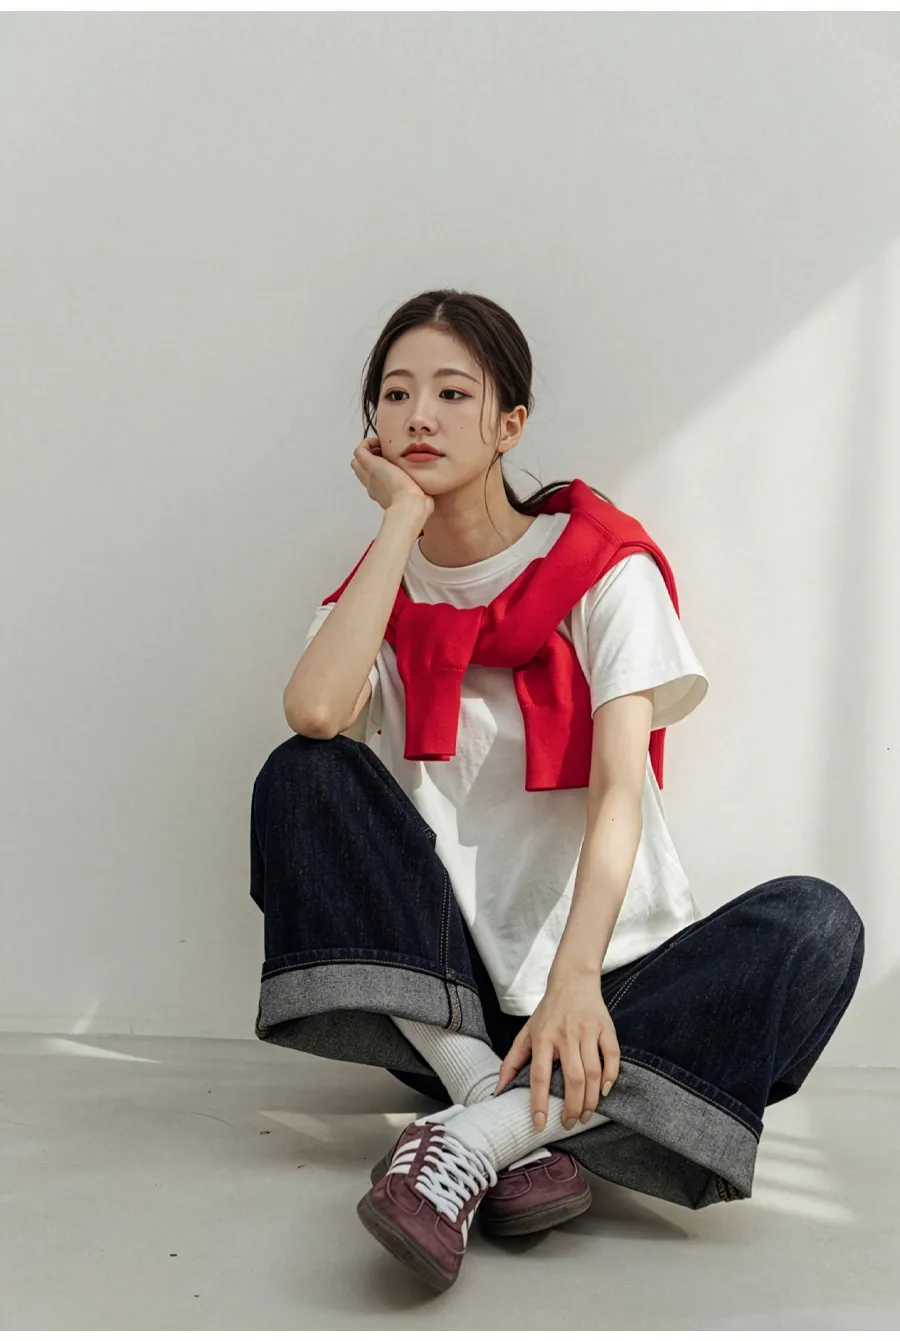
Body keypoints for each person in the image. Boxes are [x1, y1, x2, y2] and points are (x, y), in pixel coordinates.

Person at [248, 288, 864, 1293]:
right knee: (302, 772)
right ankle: (491, 1100)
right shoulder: (380, 589)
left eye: (453, 393)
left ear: (511, 424)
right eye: (396, 395)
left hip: (604, 995)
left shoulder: (602, 567)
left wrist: (577, 981)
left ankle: (480, 1137)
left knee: (818, 926)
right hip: (445, 1005)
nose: (420, 415)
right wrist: (401, 520)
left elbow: (621, 790)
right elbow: (315, 712)